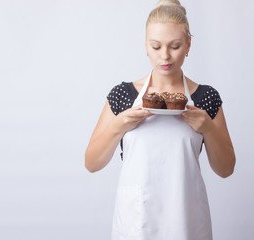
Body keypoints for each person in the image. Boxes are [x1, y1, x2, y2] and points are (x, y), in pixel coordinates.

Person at [85, 0, 236, 239]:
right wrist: (118, 126)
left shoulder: (205, 97)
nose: (165, 56)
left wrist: (208, 127)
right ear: (145, 46)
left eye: (174, 46)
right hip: (137, 222)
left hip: (187, 222)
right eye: (156, 46)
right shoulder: (124, 96)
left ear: (188, 44)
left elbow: (226, 169)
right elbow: (92, 163)